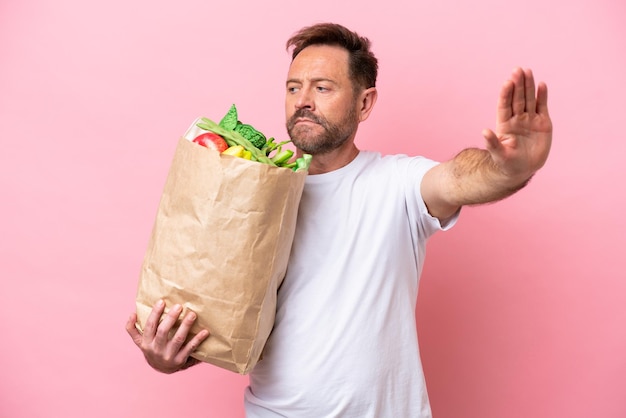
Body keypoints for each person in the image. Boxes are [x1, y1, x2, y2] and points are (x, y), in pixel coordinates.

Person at [126, 22, 552, 417]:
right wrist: (164, 357)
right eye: (293, 88)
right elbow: (218, 324)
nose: (303, 101)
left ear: (364, 103)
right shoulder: (247, 197)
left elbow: (458, 178)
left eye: (323, 87)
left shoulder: (396, 183)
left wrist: (511, 168)